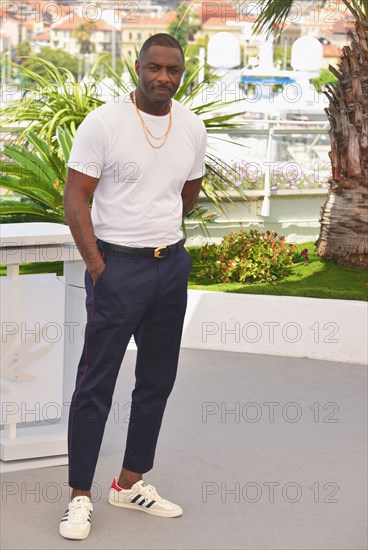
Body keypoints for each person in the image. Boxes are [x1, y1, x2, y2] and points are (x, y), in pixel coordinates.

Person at [59, 33, 207, 540]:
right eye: (154, 67)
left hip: (171, 267)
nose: (163, 77)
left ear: (181, 74)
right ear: (137, 67)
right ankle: (80, 497)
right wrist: (101, 267)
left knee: (157, 381)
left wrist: (161, 246)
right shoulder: (104, 123)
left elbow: (186, 194)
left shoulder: (191, 126)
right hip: (117, 269)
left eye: (173, 70)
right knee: (95, 383)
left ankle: (130, 482)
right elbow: (75, 200)